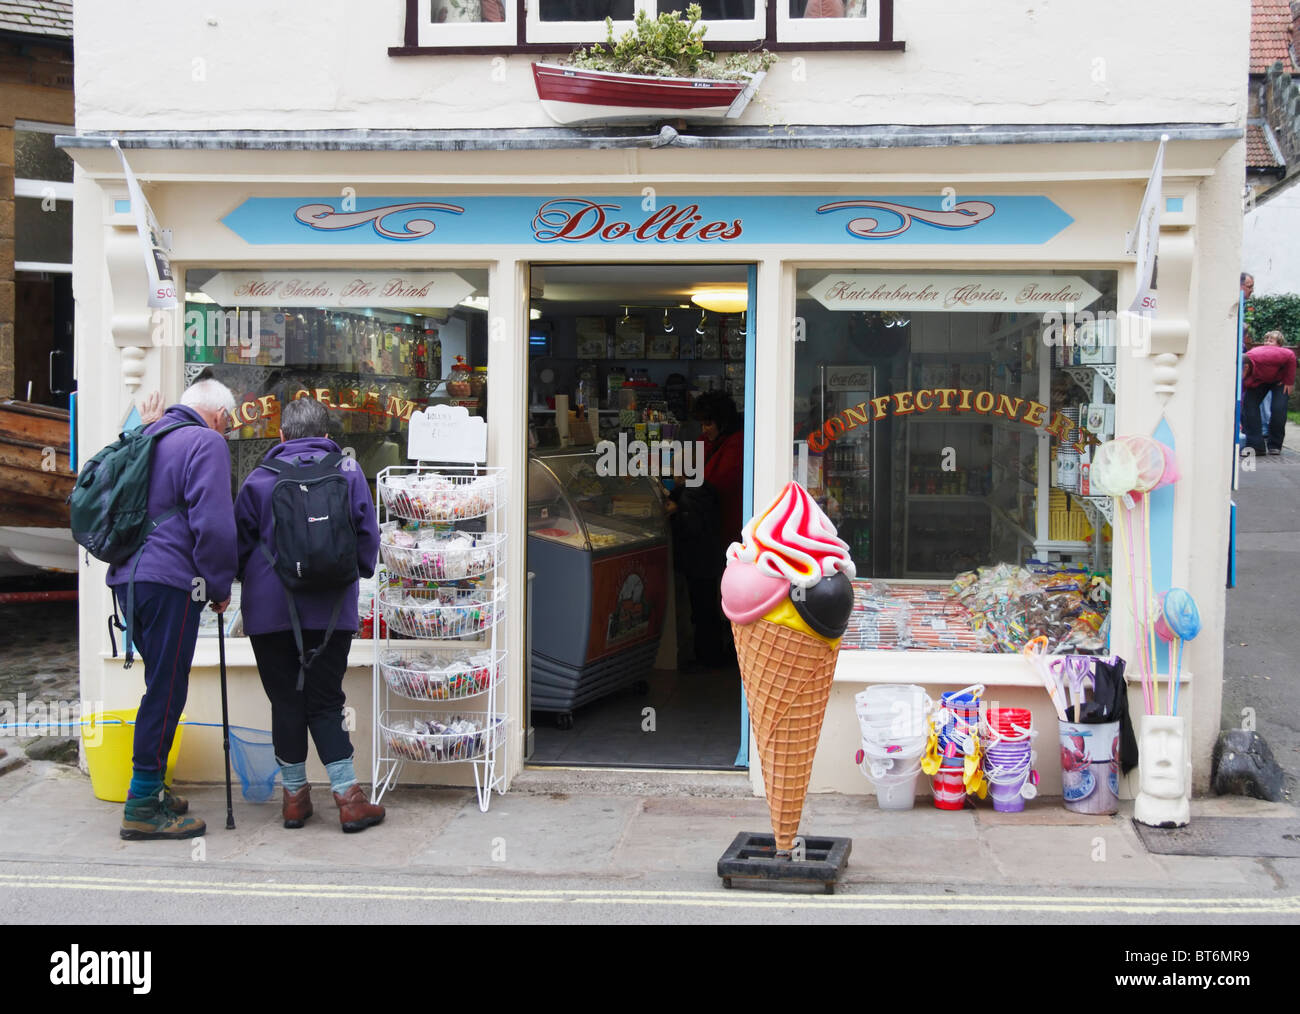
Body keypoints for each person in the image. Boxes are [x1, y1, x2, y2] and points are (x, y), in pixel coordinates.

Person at [235, 396, 384, 832]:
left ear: (281, 436)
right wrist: (346, 576)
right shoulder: (349, 472)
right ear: (327, 435)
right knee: (326, 701)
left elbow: (240, 547)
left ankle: (295, 800)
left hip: (269, 612)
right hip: (331, 611)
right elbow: (367, 538)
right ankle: (349, 799)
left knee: (285, 702)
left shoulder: (258, 480)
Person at [107, 378, 239, 841]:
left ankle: (153, 788)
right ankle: (142, 802)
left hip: (128, 579)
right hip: (169, 581)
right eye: (228, 424)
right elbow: (215, 525)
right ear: (219, 416)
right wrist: (219, 584)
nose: (225, 431)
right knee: (166, 690)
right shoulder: (206, 442)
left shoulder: (147, 434)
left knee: (157, 683)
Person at [666, 391, 744, 668]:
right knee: (702, 594)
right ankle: (708, 651)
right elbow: (689, 471)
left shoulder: (737, 444)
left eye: (709, 422)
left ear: (722, 421)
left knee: (713, 596)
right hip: (705, 532)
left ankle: (712, 654)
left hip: (724, 532)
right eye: (701, 423)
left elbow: (716, 484)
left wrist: (685, 483)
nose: (704, 429)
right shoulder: (707, 441)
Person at [1243, 331, 1296, 456]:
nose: (1267, 343)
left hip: (1279, 380)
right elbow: (1246, 380)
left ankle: (1275, 445)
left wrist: (1288, 381)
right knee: (1249, 406)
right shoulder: (1252, 354)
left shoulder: (1279, 354)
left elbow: (1291, 357)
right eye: (1266, 340)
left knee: (1278, 409)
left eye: (1271, 341)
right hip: (1260, 380)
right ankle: (1256, 446)